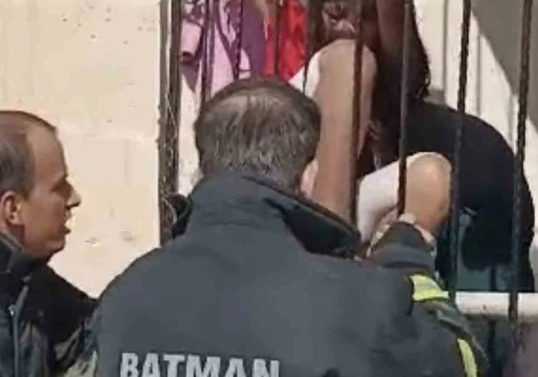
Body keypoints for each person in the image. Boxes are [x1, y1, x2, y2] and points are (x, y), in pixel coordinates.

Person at [64, 78, 486, 377]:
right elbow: (462, 363)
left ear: (203, 172)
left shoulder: (127, 295)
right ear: (308, 177)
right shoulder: (356, 303)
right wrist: (408, 253)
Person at [289, 0, 536, 375]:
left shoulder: (464, 150)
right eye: (336, 10)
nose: (350, 25)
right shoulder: (296, 111)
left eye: (367, 15)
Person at [0, 110, 96, 376]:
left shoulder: (33, 286)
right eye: (59, 186)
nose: (74, 199)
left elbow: (100, 329)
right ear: (13, 209)